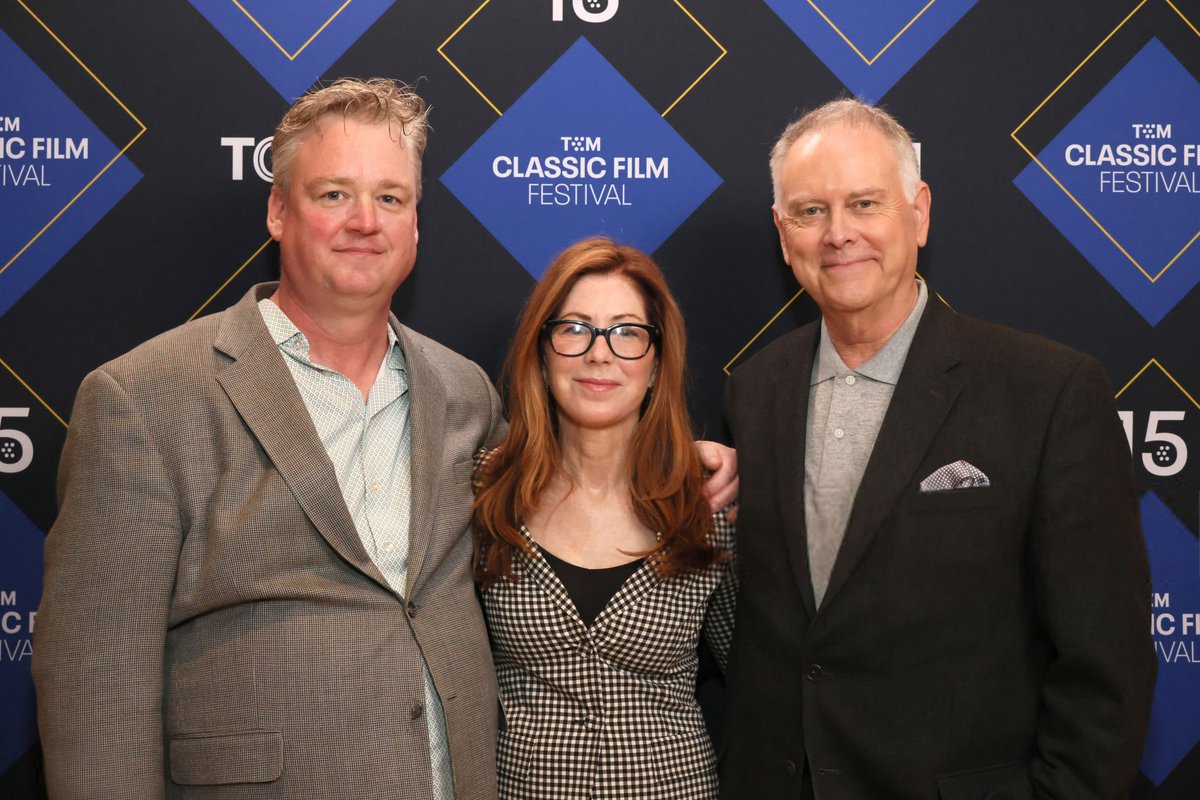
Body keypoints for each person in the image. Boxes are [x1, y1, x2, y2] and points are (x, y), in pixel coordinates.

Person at [33, 79, 736, 800]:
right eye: (334, 194)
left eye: (391, 199)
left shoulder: (462, 395)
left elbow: (568, 477)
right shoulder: (143, 400)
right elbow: (95, 688)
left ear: (416, 226)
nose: (365, 221)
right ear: (278, 211)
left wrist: (691, 463)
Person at [720, 98, 1155, 799]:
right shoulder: (755, 390)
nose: (838, 234)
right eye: (810, 211)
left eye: (865, 203)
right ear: (782, 231)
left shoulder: (1046, 390)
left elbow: (1106, 665)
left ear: (918, 213)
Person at [471, 238, 736, 800]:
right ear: (541, 354)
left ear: (656, 361)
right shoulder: (484, 493)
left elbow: (762, 676)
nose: (600, 354)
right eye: (574, 329)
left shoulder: (709, 504)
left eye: (626, 332)